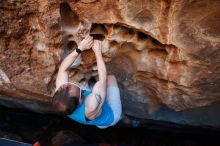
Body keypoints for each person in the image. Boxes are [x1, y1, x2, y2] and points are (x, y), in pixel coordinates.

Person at [52, 36, 122, 129]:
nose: (71, 83)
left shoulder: (62, 98)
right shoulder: (91, 105)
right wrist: (97, 52)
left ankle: (90, 90)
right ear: (80, 100)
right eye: (77, 87)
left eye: (68, 84)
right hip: (111, 117)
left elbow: (63, 69)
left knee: (91, 88)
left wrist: (79, 48)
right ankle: (122, 117)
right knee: (110, 78)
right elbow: (103, 79)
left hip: (97, 119)